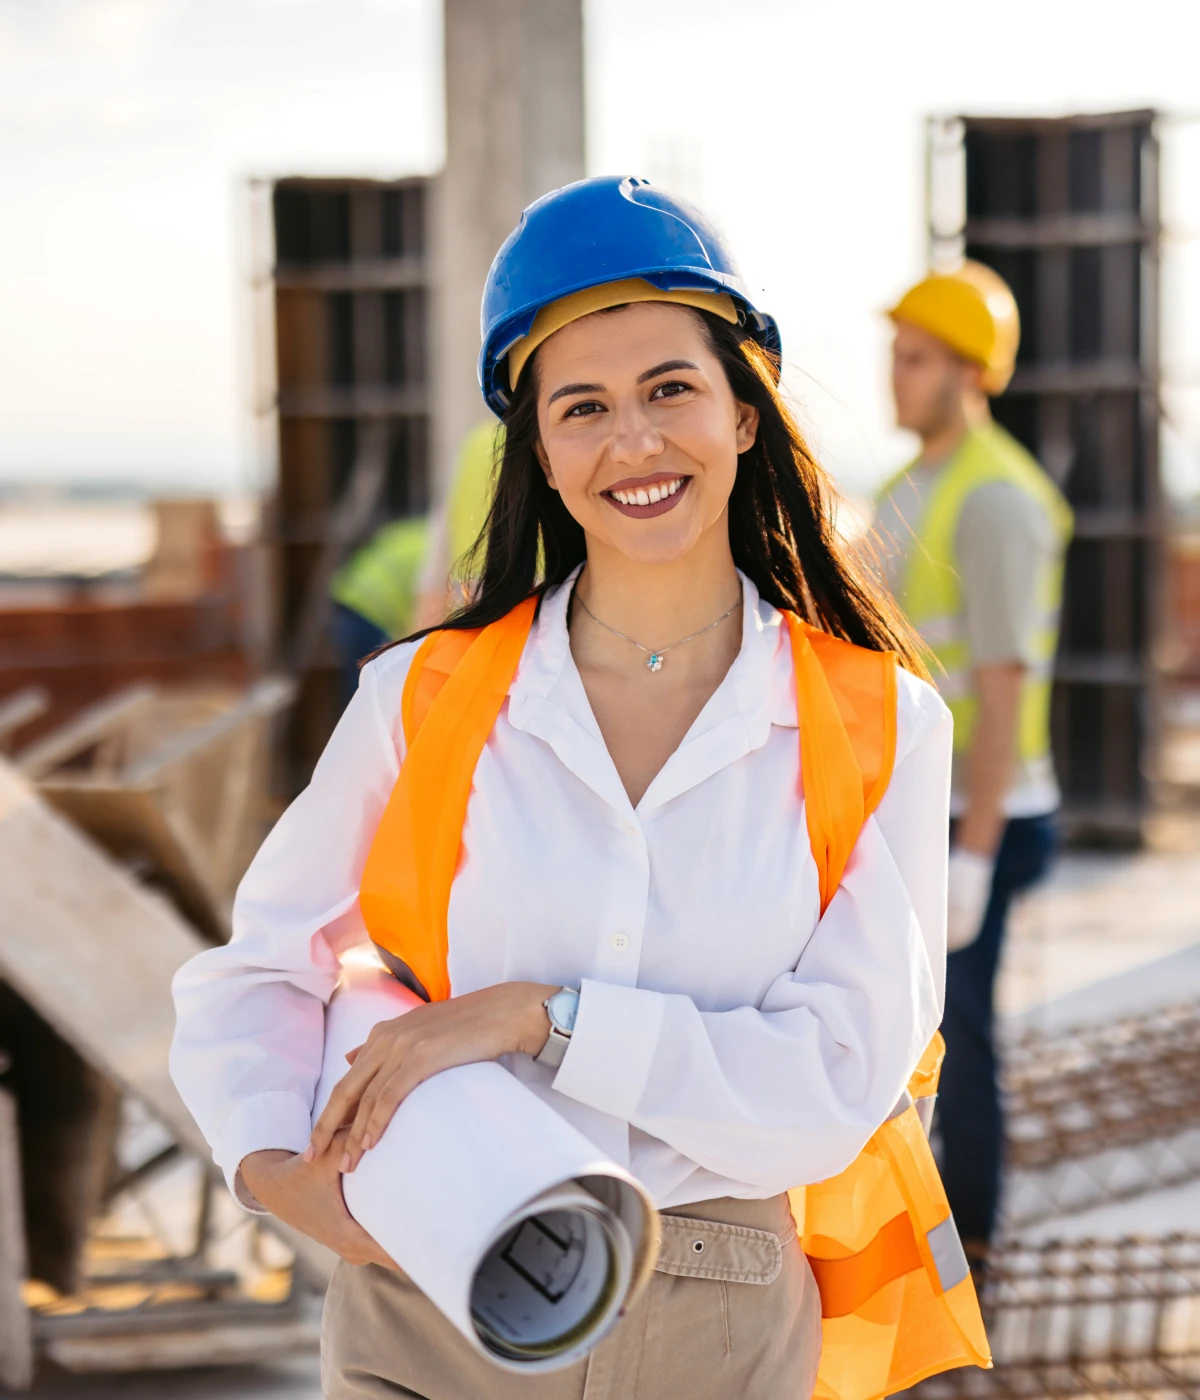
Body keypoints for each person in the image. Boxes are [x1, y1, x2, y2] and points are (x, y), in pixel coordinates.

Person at [171, 177, 987, 1400]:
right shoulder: (425, 697)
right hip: (430, 1291)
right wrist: (271, 1163)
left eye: (672, 389)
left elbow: (832, 1084)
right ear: (541, 452)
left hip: (718, 1316)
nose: (634, 442)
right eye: (584, 407)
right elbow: (255, 969)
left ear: (745, 415)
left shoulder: (877, 724)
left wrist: (535, 1015)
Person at [877, 262, 1073, 1259]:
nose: (893, 376)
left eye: (914, 359)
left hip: (985, 815)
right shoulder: (911, 487)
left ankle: (973, 1266)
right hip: (933, 810)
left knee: (965, 1048)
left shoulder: (995, 499)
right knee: (913, 1046)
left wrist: (976, 853)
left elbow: (1000, 688)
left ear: (968, 373)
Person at [329, 422, 502, 704]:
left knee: (370, 680)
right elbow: (426, 598)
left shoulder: (475, 447)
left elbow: (428, 592)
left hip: (350, 595)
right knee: (367, 676)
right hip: (365, 606)